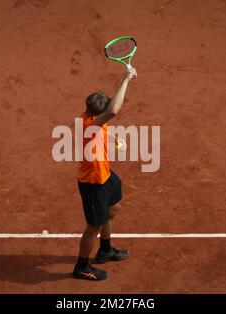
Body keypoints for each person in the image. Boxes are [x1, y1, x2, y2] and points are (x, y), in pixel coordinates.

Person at [73, 67, 138, 281]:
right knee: (93, 227)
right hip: (93, 183)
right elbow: (113, 110)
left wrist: (112, 141)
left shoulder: (92, 118)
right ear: (96, 114)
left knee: (113, 208)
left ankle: (105, 250)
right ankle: (82, 267)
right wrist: (126, 79)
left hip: (106, 175)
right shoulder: (90, 123)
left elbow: (103, 123)